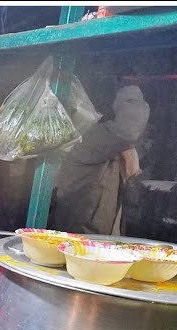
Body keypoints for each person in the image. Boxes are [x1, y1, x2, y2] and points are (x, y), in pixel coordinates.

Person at [51, 84, 150, 236]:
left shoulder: (112, 145)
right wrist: (131, 90)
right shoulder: (92, 138)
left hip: (95, 236)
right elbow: (129, 126)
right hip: (80, 237)